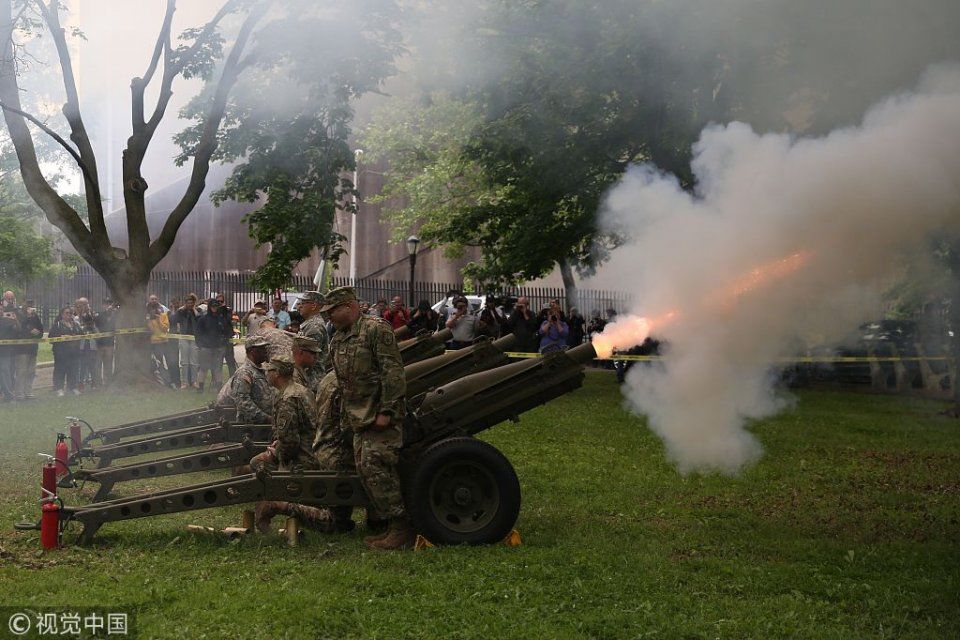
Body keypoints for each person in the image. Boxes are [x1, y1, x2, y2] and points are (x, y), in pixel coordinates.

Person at [314, 286, 412, 550]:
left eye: (332, 311)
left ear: (348, 306)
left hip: (378, 417)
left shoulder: (375, 329)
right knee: (364, 469)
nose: (328, 317)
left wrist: (387, 412)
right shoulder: (338, 338)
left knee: (375, 466)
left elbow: (393, 373)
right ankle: (384, 523)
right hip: (357, 418)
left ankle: (400, 527)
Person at [249, 354, 330, 534]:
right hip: (313, 451)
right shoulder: (301, 390)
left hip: (303, 459)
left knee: (259, 464)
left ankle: (275, 502)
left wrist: (276, 452)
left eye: (269, 370)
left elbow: (291, 444)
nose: (266, 373)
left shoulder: (287, 399)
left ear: (277, 373)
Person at [216, 335, 274, 424]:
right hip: (246, 422)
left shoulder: (262, 369)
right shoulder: (244, 373)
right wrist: (266, 418)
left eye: (265, 348)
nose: (265, 351)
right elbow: (243, 403)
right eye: (261, 349)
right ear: (251, 351)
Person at [195, 298, 229, 392]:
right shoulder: (203, 319)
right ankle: (200, 388)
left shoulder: (221, 319)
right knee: (203, 368)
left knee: (218, 368)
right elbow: (197, 333)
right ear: (209, 307)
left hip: (219, 347)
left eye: (216, 306)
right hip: (206, 348)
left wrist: (224, 343)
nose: (214, 308)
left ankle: (219, 388)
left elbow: (227, 332)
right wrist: (200, 345)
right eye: (212, 306)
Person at [48, 306, 81, 396]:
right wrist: (61, 337)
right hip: (61, 352)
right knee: (60, 370)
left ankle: (72, 387)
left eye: (70, 313)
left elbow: (82, 335)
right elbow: (51, 338)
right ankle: (59, 388)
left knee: (73, 369)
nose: (68, 315)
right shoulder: (57, 325)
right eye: (66, 313)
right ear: (62, 314)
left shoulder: (75, 324)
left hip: (73, 352)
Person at [15, 298, 43, 400]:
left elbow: (41, 329)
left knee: (31, 371)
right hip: (22, 349)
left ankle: (28, 391)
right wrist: (28, 317)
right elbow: (20, 329)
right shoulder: (18, 314)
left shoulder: (35, 316)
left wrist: (38, 333)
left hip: (33, 348)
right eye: (28, 303)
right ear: (23, 303)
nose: (30, 305)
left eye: (32, 303)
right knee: (21, 370)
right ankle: (19, 392)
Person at [172, 294, 201, 389]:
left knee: (194, 362)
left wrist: (194, 310)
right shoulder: (181, 311)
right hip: (184, 337)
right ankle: (184, 382)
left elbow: (200, 320)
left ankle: (194, 381)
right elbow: (174, 320)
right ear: (185, 303)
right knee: (184, 362)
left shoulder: (197, 311)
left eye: (191, 303)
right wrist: (178, 310)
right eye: (188, 303)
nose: (189, 305)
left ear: (194, 303)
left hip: (194, 338)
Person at [146, 298, 174, 388]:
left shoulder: (164, 316)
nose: (155, 310)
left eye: (156, 308)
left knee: (166, 362)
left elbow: (165, 329)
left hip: (163, 341)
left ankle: (169, 381)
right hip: (154, 342)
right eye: (152, 308)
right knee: (157, 362)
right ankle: (162, 381)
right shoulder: (149, 319)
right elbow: (151, 330)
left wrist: (159, 320)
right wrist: (149, 320)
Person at [296, 291, 330, 365]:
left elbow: (307, 357)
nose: (299, 306)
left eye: (303, 303)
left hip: (312, 373)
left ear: (313, 306)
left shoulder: (314, 326)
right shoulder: (311, 324)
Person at [0, 290, 21, 401]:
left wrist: (15, 320)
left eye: (1, 309)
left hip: (5, 350)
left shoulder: (7, 320)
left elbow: (18, 329)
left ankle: (8, 395)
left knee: (5, 371)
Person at [213, 293, 238, 375]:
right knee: (217, 363)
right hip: (217, 340)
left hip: (227, 340)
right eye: (218, 301)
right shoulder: (214, 310)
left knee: (230, 362)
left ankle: (232, 379)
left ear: (224, 301)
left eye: (221, 301)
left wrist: (223, 309)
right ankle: (216, 382)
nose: (219, 303)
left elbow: (228, 320)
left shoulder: (228, 310)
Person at [94, 298, 117, 385]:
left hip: (110, 344)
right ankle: (98, 382)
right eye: (106, 304)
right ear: (103, 305)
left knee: (109, 364)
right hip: (100, 344)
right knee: (98, 364)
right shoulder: (99, 315)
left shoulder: (115, 316)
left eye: (110, 304)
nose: (108, 306)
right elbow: (94, 324)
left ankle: (108, 382)